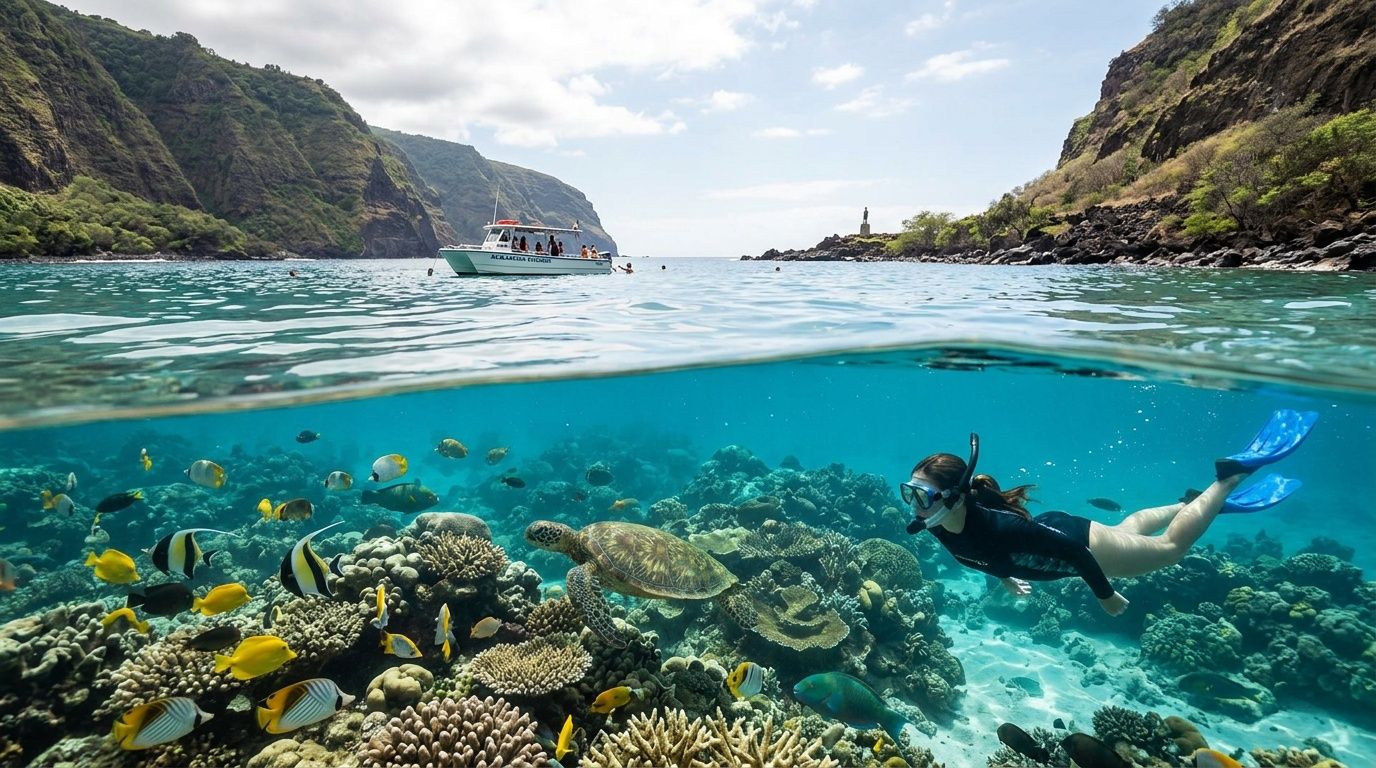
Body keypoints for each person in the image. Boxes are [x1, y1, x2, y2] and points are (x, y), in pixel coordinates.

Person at [902, 411, 1316, 616]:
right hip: (1060, 532)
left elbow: (1076, 556)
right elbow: (975, 553)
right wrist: (1007, 577)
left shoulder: (1002, 528)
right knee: (1127, 527)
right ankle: (1188, 503)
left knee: (1169, 548)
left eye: (922, 495)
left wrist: (1106, 596)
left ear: (955, 496)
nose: (914, 506)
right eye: (911, 494)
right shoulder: (940, 523)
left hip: (1084, 547)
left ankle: (1229, 479)